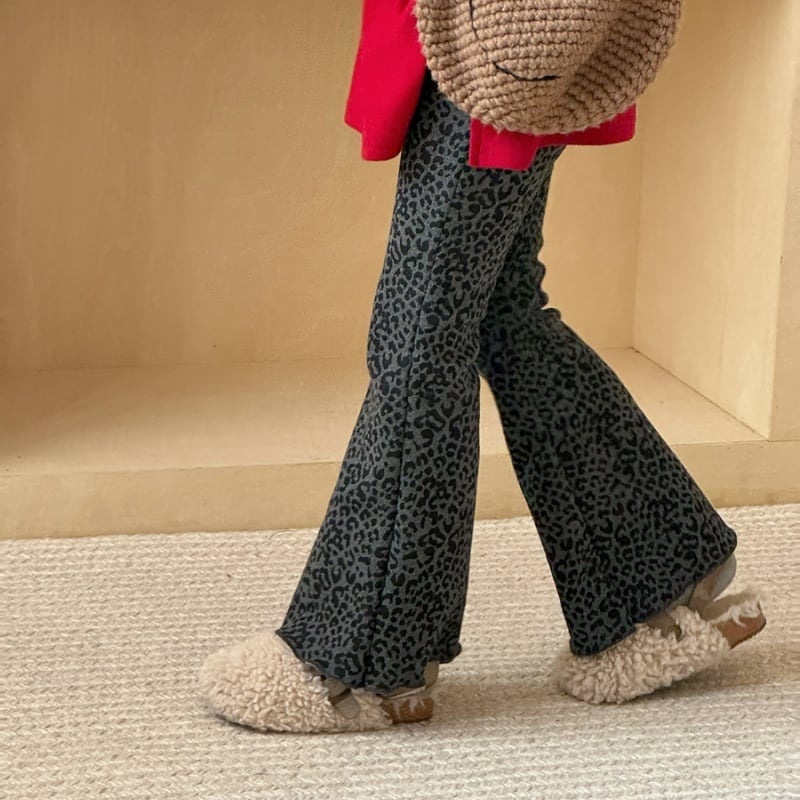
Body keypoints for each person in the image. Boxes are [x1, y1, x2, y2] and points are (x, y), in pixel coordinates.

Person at [197, 1, 766, 733]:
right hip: (496, 45)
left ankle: (359, 660)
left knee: (421, 334)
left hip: (490, 43)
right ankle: (656, 584)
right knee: (500, 315)